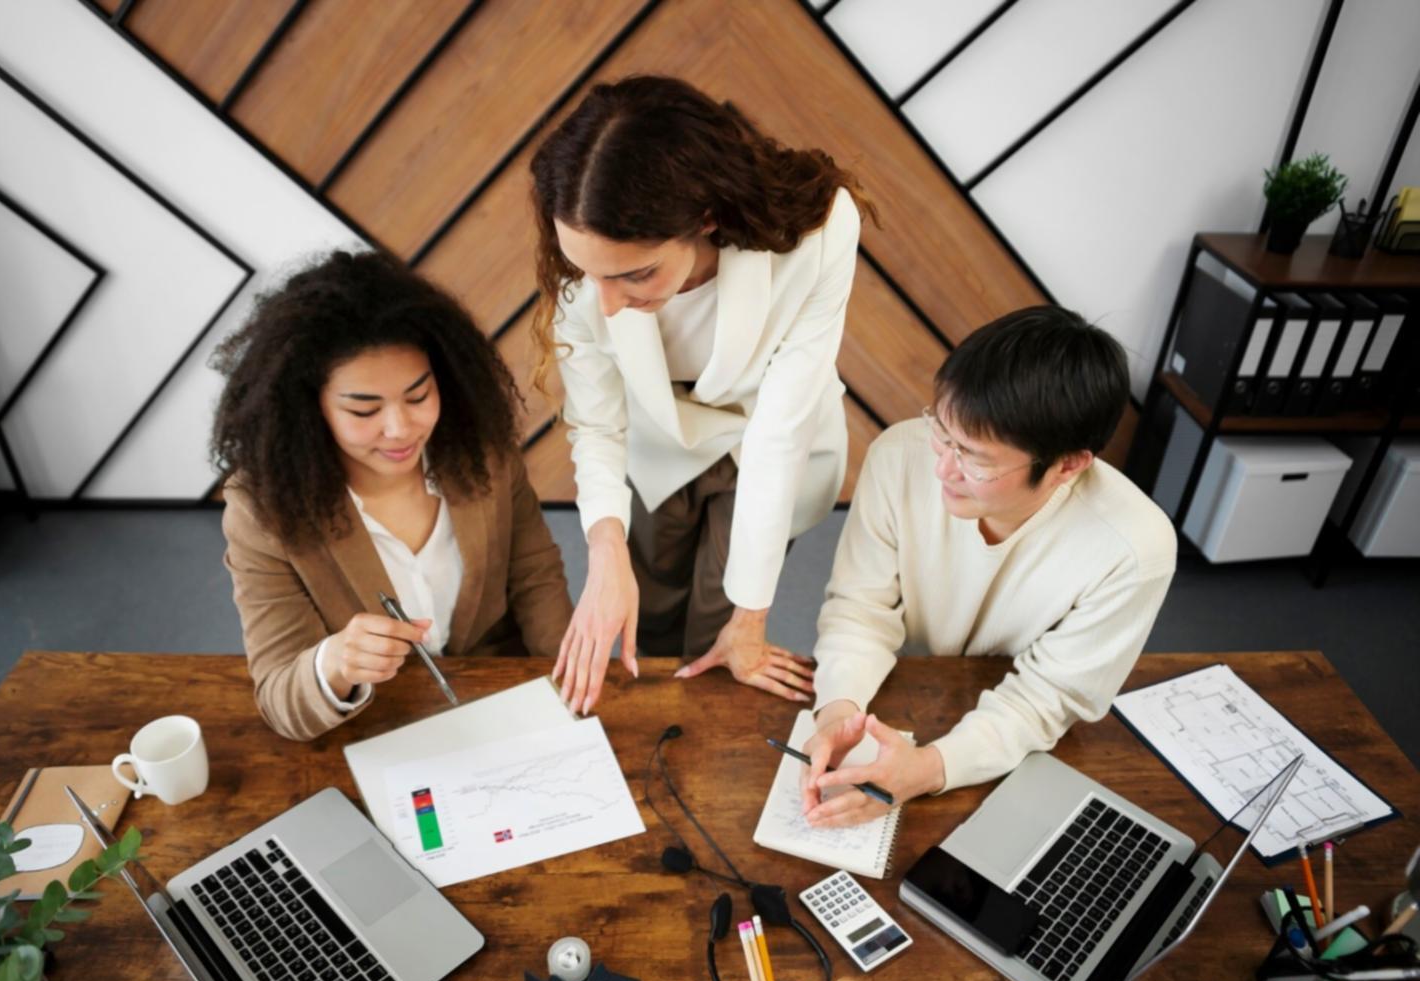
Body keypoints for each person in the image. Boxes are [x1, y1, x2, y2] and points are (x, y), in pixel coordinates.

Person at [529, 75, 877, 714]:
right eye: (586, 273)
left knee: (721, 627)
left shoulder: (821, 234)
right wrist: (604, 551)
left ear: (707, 218)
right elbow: (597, 424)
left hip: (770, 446)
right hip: (657, 444)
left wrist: (750, 621)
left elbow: (780, 429)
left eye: (635, 274)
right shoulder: (590, 277)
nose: (605, 303)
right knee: (648, 609)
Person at [800, 305, 1177, 826]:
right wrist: (840, 710)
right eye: (943, 431)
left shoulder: (1134, 548)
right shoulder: (898, 457)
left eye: (975, 457)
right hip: (897, 692)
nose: (943, 467)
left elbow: (1045, 700)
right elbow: (860, 609)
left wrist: (928, 769)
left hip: (1013, 751)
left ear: (1067, 465)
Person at [211, 250, 573, 741]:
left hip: (500, 703)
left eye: (419, 396)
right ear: (308, 407)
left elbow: (535, 576)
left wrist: (570, 682)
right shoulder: (264, 510)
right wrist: (333, 664)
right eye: (364, 410)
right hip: (374, 724)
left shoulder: (481, 450)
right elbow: (280, 700)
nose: (400, 429)